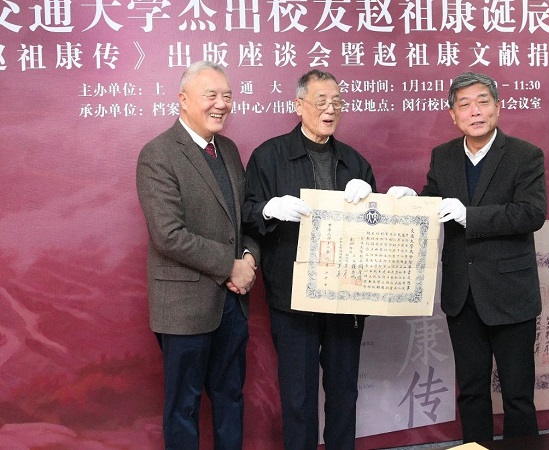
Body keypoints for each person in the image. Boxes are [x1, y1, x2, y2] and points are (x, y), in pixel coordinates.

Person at [391, 71, 547, 442]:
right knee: (472, 391)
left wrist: (470, 216)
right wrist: (413, 201)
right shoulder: (443, 155)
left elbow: (531, 213)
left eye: (482, 102)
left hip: (510, 294)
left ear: (498, 107)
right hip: (463, 295)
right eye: (464, 105)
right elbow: (434, 201)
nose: (474, 111)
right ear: (453, 115)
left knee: (518, 395)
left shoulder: (525, 155)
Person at [241, 69, 376, 450]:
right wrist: (269, 209)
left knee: (343, 393)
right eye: (321, 102)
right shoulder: (269, 157)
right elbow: (245, 213)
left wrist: (373, 198)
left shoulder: (355, 163)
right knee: (297, 398)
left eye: (337, 102)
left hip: (346, 297)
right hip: (293, 298)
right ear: (299, 105)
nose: (330, 109)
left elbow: (376, 230)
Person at [136, 60, 259, 450]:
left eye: (227, 96)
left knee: (230, 399)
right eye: (212, 95)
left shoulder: (229, 150)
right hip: (184, 306)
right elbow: (168, 235)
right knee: (183, 408)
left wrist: (249, 259)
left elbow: (243, 219)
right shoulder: (158, 154)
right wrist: (230, 266)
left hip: (232, 305)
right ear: (183, 100)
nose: (221, 104)